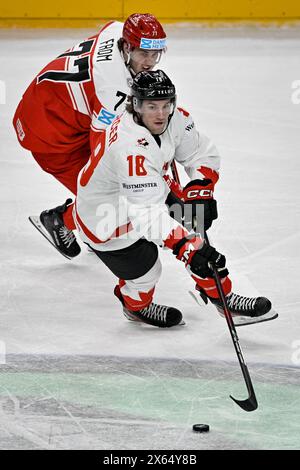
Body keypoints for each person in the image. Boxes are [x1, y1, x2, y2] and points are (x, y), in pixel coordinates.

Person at [73, 69, 273, 328]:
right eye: (152, 106)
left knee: (194, 231)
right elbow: (147, 215)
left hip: (142, 192)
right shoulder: (130, 148)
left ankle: (225, 300)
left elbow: (200, 152)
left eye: (166, 104)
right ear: (136, 105)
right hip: (106, 219)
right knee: (148, 272)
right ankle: (135, 305)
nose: (161, 113)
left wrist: (200, 187)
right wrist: (186, 249)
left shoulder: (173, 118)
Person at [13, 13, 167, 259]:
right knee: (108, 196)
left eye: (154, 54)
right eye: (142, 54)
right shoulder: (112, 89)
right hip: (48, 134)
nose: (150, 63)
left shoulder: (117, 30)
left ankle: (87, 222)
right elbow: (102, 154)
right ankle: (58, 221)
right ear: (127, 47)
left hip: (50, 107)